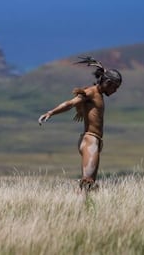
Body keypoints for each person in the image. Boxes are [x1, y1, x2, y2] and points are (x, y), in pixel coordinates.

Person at [38, 56, 122, 191]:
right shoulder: (91, 92)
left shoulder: (98, 94)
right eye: (115, 87)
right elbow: (70, 103)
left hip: (95, 141)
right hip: (90, 140)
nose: (115, 91)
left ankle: (85, 209)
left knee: (90, 185)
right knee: (87, 183)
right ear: (107, 82)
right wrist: (51, 112)